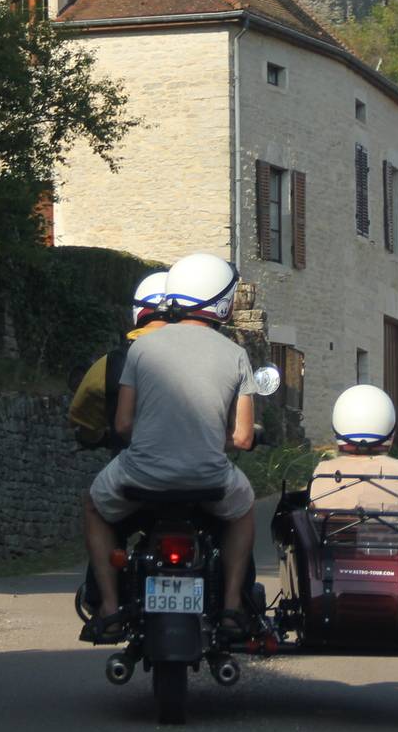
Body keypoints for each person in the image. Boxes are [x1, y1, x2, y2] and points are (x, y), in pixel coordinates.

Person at [82, 252, 257, 643]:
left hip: (141, 474)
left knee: (94, 506)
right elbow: (243, 438)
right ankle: (231, 606)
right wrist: (209, 437)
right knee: (244, 509)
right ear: (222, 302)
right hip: (209, 479)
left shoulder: (143, 349)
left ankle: (109, 607)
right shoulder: (236, 355)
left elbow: (124, 423)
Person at [67, 270, 167, 450]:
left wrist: (94, 437)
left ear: (138, 311)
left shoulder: (110, 363)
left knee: (104, 480)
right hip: (198, 470)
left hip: (135, 467)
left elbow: (87, 424)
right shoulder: (208, 356)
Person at [307, 384, 398, 512]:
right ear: (390, 430)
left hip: (332, 531)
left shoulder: (323, 471)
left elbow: (313, 508)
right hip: (386, 532)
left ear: (336, 430)